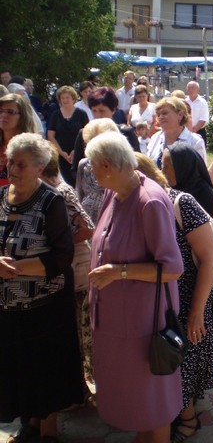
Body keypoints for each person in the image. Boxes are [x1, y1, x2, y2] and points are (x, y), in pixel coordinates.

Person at [86, 131, 183, 442]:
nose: (90, 172)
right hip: (114, 322)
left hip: (144, 325)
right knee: (137, 398)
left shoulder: (149, 200)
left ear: (107, 165)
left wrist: (119, 272)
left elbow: (172, 268)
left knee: (153, 399)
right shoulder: (113, 192)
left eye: (92, 165)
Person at [0, 133, 83, 443]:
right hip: (8, 308)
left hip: (45, 308)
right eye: (11, 162)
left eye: (21, 164)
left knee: (45, 371)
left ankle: (48, 432)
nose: (13, 169)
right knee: (18, 368)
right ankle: (29, 424)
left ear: (39, 167)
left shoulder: (51, 201)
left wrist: (14, 269)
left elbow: (62, 256)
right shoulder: (1, 196)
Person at [135, 152, 213, 443]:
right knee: (164, 361)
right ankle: (168, 416)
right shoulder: (137, 205)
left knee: (182, 360)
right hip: (159, 302)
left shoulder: (181, 203)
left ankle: (189, 418)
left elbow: (209, 258)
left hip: (188, 300)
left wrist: (196, 312)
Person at [41, 146, 95, 402]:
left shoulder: (61, 191)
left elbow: (88, 228)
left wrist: (58, 245)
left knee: (82, 335)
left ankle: (87, 390)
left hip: (79, 271)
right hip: (68, 271)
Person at [75, 119, 120, 224]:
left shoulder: (119, 165)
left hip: (111, 219)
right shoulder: (84, 165)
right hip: (88, 220)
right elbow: (79, 196)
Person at [164, 143, 213, 221]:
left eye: (166, 167)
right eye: (162, 165)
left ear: (182, 167)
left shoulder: (208, 198)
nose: (163, 171)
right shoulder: (167, 192)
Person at [47, 85, 89, 186]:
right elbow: (50, 135)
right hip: (61, 155)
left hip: (79, 154)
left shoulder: (81, 114)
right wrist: (61, 152)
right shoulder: (55, 115)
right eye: (63, 98)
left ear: (73, 98)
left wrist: (76, 150)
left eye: (67, 97)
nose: (65, 100)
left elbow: (87, 132)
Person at [146, 96, 207, 166]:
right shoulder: (155, 138)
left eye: (164, 113)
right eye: (158, 114)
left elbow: (200, 170)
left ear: (180, 115)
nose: (161, 117)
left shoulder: (195, 142)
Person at [0, 93, 41, 186]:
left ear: (22, 117)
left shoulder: (34, 149)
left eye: (10, 112)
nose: (3, 115)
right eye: (1, 111)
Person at [184, 81, 209, 148]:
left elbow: (203, 119)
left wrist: (193, 130)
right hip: (185, 131)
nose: (190, 89)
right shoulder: (185, 102)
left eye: (192, 88)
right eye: (189, 88)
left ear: (198, 89)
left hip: (199, 131)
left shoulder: (203, 102)